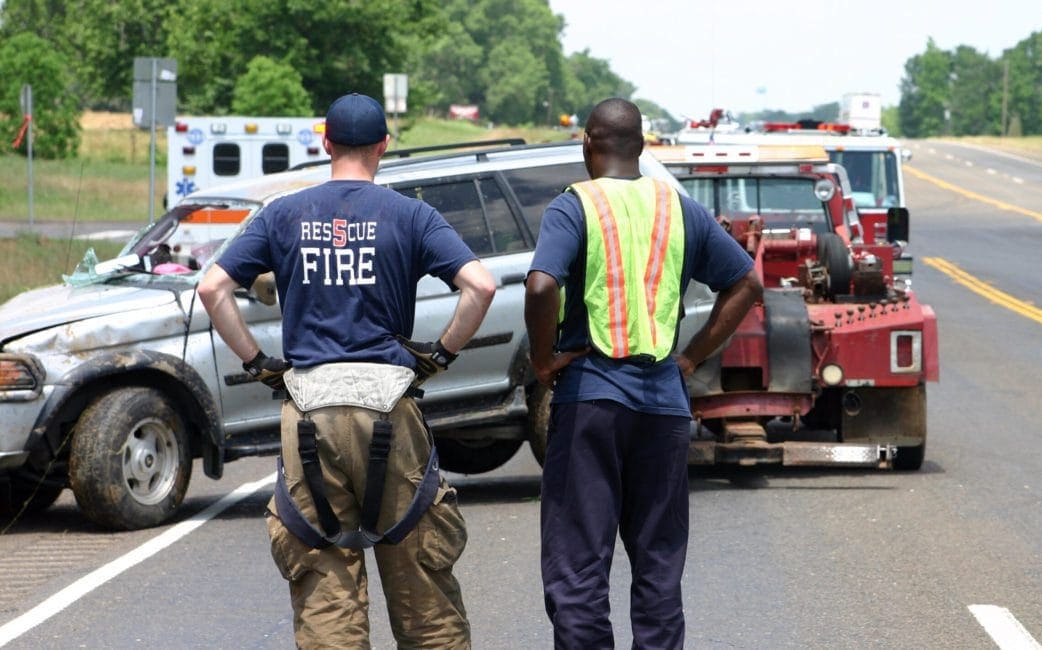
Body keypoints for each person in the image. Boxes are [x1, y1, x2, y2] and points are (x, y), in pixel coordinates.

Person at [197, 92, 495, 649]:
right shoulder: (411, 215)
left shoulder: (282, 213)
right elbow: (480, 285)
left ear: (326, 143)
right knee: (423, 593)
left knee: (325, 592)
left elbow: (213, 288)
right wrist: (439, 356)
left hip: (310, 414)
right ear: (384, 145)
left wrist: (258, 363)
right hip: (389, 408)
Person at [524, 97, 762, 648]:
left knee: (579, 564)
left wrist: (542, 360)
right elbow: (747, 283)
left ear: (587, 142)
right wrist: (691, 357)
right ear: (643, 145)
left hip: (591, 399)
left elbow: (540, 285)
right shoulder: (679, 208)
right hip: (664, 407)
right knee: (658, 564)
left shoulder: (574, 206)